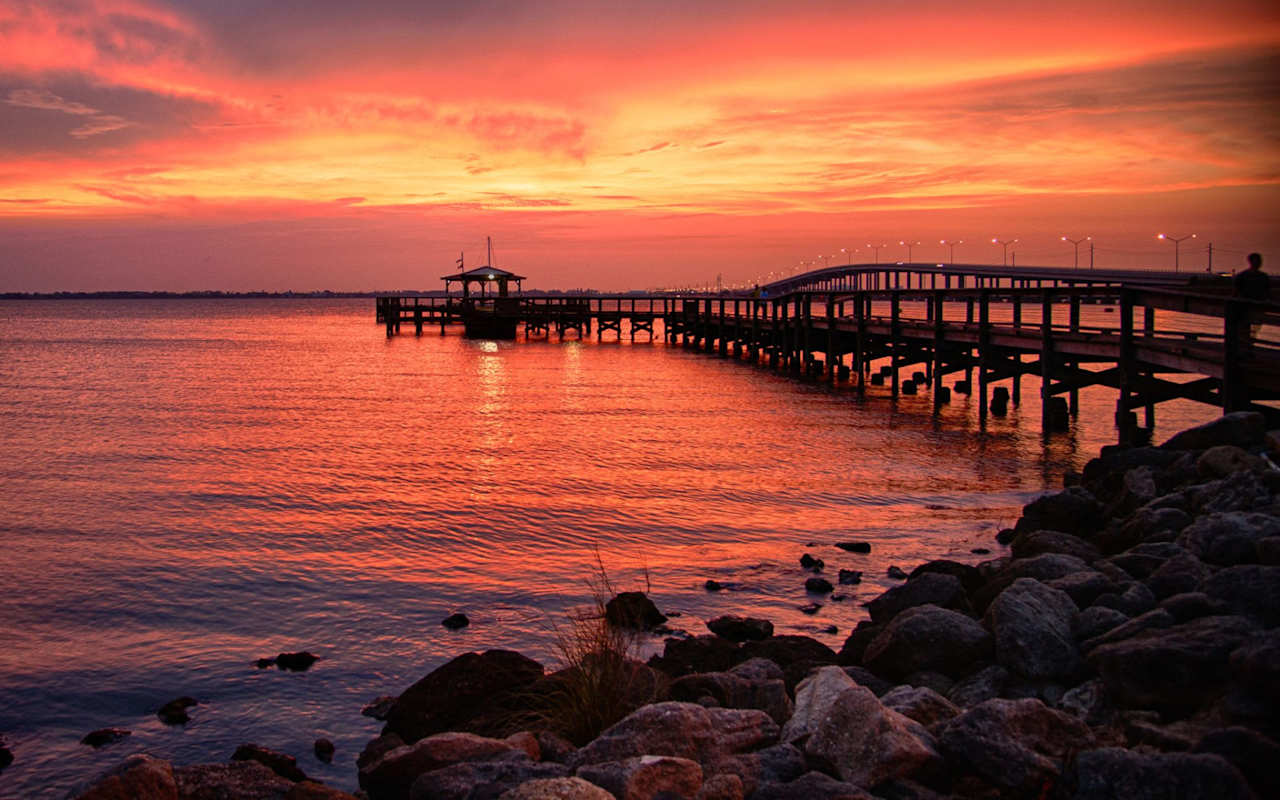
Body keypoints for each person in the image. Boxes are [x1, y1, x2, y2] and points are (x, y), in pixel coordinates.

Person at [1234, 253, 1270, 345]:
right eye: (1257, 261)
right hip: (1244, 308)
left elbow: (1267, 293)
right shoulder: (1243, 276)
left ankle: (1247, 348)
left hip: (1256, 308)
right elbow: (1236, 292)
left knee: (1252, 332)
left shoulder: (1263, 277)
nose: (1259, 263)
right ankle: (1245, 348)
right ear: (1251, 262)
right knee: (1245, 331)